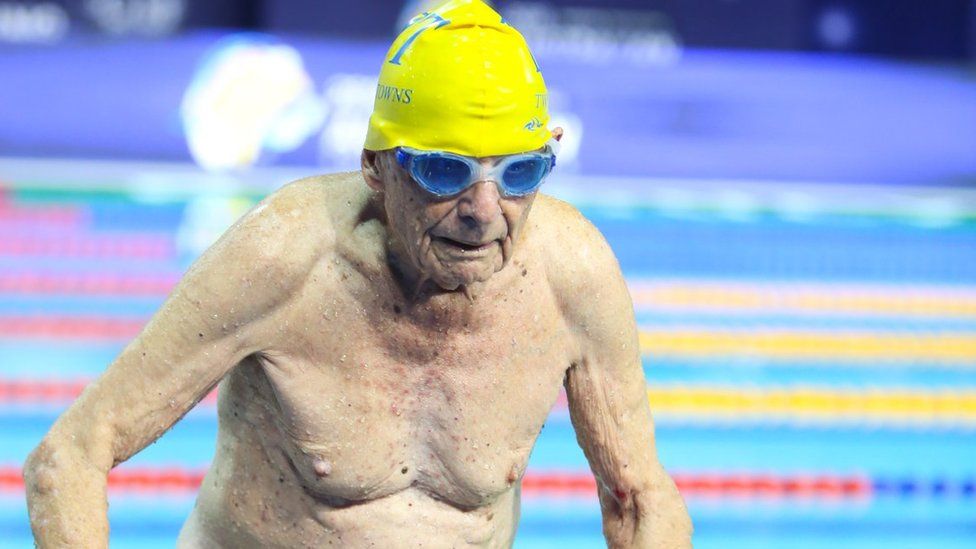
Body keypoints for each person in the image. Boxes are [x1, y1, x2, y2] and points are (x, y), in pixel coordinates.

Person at [23, 1, 692, 547]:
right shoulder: (285, 257)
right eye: (444, 171)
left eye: (519, 174)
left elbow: (641, 503)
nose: (484, 214)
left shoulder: (571, 275)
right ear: (376, 166)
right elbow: (70, 458)